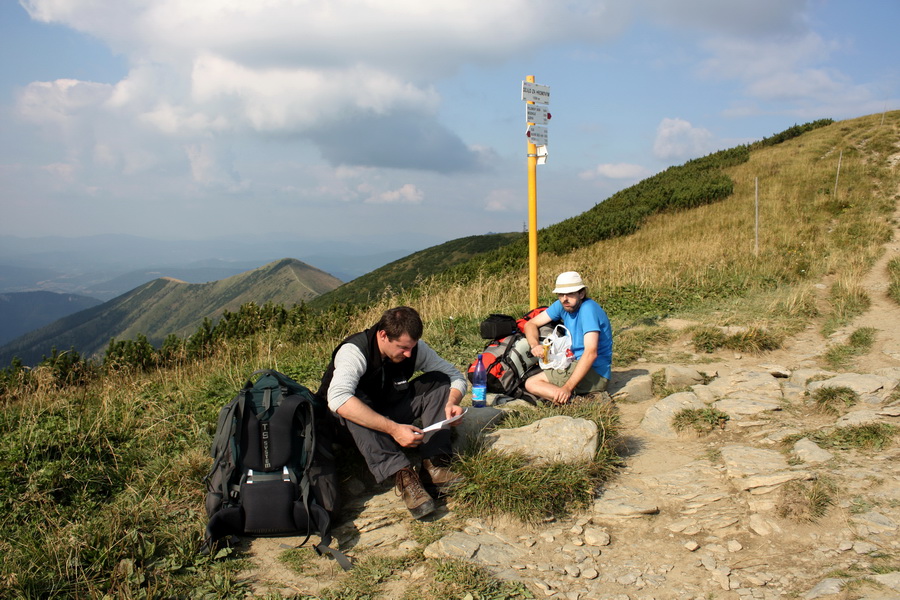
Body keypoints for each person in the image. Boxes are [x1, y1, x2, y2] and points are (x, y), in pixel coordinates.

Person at [315, 306, 467, 520]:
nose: (408, 354)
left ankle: (435, 465)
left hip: (387, 408)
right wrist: (394, 429)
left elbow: (454, 376)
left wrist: (452, 401)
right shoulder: (354, 351)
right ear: (383, 335)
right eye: (403, 348)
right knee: (352, 403)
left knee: (439, 381)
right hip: (344, 427)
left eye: (412, 347)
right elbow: (338, 399)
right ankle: (404, 476)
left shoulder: (413, 348)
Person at [523, 271, 613, 405]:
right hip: (573, 360)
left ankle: (579, 402)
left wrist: (567, 388)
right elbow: (530, 324)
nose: (565, 298)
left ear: (581, 294)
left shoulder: (588, 309)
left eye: (570, 293)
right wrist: (534, 345)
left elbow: (590, 353)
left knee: (532, 383)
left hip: (595, 371)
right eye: (561, 294)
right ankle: (577, 396)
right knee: (535, 376)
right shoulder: (563, 305)